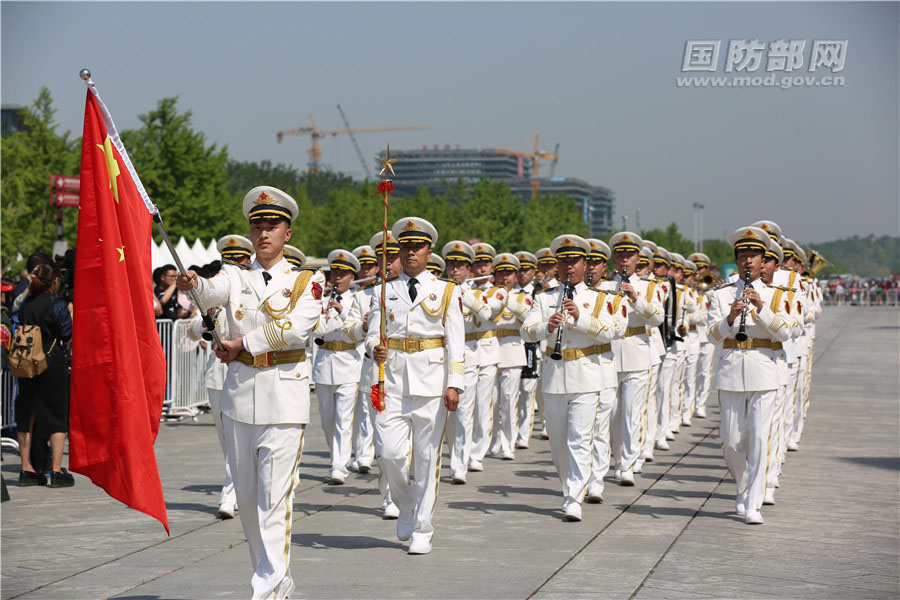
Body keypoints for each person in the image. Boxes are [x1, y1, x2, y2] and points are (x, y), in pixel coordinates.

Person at [177, 186, 325, 599]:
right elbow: (211, 291)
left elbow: (294, 329)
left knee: (274, 501)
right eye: (257, 225)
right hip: (240, 396)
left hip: (283, 397)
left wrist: (244, 343)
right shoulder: (236, 276)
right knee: (247, 497)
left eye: (272, 225)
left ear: (287, 233)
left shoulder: (306, 282)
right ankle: (273, 574)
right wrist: (194, 283)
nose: (263, 233)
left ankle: (267, 586)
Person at [367, 216, 464, 555]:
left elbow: (456, 342)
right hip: (391, 380)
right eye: (404, 246)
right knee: (389, 454)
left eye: (417, 246)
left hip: (431, 383)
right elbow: (370, 335)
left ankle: (423, 526)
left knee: (425, 459)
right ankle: (405, 505)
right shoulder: (384, 290)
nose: (410, 252)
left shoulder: (446, 291)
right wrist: (373, 348)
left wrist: (455, 384)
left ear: (428, 251)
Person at [521, 234, 626, 520]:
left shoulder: (604, 298)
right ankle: (568, 486)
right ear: (557, 265)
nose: (569, 267)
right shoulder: (544, 299)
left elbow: (613, 330)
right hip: (554, 376)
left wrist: (579, 317)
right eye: (564, 261)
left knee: (579, 438)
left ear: (585, 264)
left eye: (575, 261)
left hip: (588, 375)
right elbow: (525, 330)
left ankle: (573, 497)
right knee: (557, 441)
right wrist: (546, 326)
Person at [706, 226, 792, 525]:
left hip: (764, 371)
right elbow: (711, 335)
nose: (748, 261)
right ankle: (743, 486)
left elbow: (787, 331)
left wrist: (761, 308)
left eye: (753, 256)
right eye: (743, 255)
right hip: (731, 372)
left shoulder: (778, 294)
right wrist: (730, 317)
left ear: (763, 260)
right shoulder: (722, 294)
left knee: (759, 438)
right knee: (730, 442)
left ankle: (754, 502)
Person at [185, 234, 254, 519]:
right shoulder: (217, 293)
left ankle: (229, 495)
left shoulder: (251, 295)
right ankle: (239, 488)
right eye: (229, 262)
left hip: (246, 372)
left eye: (238, 262)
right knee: (227, 440)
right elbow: (191, 330)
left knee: (241, 438)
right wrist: (205, 321)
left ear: (248, 263)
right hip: (218, 375)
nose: (234, 267)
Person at [342, 232, 402, 517]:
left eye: (392, 257)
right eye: (382, 258)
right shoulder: (364, 296)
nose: (387, 263)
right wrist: (364, 330)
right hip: (375, 374)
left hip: (410, 376)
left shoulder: (411, 290)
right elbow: (349, 329)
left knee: (408, 447)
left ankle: (407, 491)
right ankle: (389, 496)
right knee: (384, 441)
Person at [608, 231, 664, 486]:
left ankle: (629, 463)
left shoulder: (649, 287)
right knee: (611, 413)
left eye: (628, 255)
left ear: (638, 258)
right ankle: (617, 458)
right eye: (619, 255)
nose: (624, 260)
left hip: (637, 351)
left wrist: (636, 298)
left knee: (632, 412)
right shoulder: (604, 286)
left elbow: (659, 317)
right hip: (609, 352)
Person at [441, 240, 499, 484]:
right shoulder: (439, 290)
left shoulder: (474, 292)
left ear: (469, 270)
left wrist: (462, 291)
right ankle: (456, 455)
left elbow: (486, 314)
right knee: (450, 414)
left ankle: (461, 463)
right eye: (451, 265)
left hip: (470, 356)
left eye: (460, 266)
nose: (455, 270)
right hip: (444, 356)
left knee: (468, 410)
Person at [16, 261, 74, 487]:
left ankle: (26, 468)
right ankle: (56, 470)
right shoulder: (57, 304)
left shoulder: (27, 303)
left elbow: (17, 319)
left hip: (26, 359)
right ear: (56, 280)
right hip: (51, 358)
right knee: (56, 413)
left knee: (26, 414)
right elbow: (66, 334)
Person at [312, 249, 363, 485]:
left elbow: (359, 332)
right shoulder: (321, 301)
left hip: (347, 363)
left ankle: (339, 465)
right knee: (327, 420)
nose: (338, 278)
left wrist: (342, 314)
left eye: (343, 274)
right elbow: (314, 330)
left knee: (344, 418)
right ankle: (336, 457)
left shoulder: (358, 301)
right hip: (324, 363)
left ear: (352, 277)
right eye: (335, 273)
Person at [489, 253, 532, 461]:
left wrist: (509, 301)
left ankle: (508, 442)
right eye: (501, 273)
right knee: (491, 401)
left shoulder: (522, 297)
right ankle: (494, 438)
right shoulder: (488, 294)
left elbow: (528, 317)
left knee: (508, 401)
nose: (505, 277)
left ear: (516, 276)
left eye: (509, 273)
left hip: (512, 351)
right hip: (489, 349)